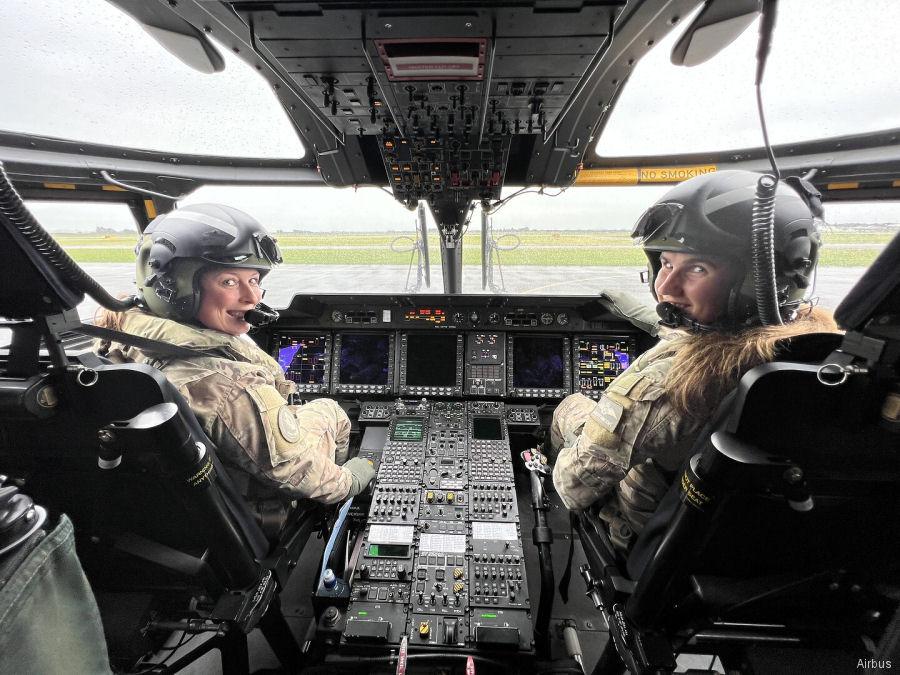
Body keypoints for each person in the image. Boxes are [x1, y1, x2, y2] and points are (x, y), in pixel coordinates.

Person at [550, 170, 840, 549]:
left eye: (697, 268)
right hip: (751, 541)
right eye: (666, 264)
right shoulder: (818, 348)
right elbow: (720, 337)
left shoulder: (665, 384)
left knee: (572, 407)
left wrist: (580, 441)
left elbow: (573, 487)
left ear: (755, 282)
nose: (664, 287)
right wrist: (666, 316)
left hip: (650, 534)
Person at [94, 203, 375, 525]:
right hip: (248, 513)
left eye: (254, 279)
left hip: (169, 512)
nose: (252, 298)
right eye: (229, 282)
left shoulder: (117, 333)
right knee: (329, 409)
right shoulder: (228, 385)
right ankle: (327, 514)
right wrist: (351, 478)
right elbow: (299, 471)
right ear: (176, 286)